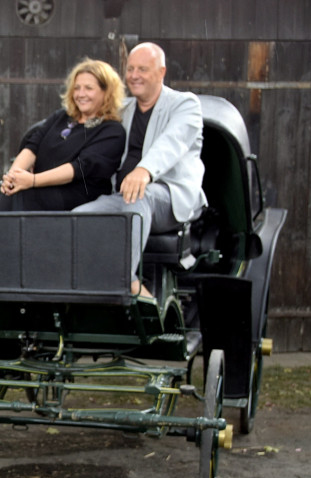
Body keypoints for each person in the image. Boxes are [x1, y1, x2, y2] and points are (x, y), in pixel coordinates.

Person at [0, 58, 126, 270]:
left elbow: (81, 168)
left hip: (77, 194)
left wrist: (32, 180)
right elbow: (33, 144)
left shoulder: (112, 131)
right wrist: (14, 176)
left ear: (106, 92)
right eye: (77, 87)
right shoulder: (61, 117)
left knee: (24, 193)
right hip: (40, 188)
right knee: (13, 190)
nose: (81, 93)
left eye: (89, 88)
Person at [72, 42, 208, 297]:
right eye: (131, 68)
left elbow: (172, 143)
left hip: (169, 197)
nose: (134, 75)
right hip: (123, 196)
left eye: (143, 69)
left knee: (138, 196)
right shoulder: (123, 109)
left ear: (161, 72)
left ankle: (125, 282)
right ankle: (86, 285)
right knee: (79, 215)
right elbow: (83, 127)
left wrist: (144, 170)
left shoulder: (185, 105)